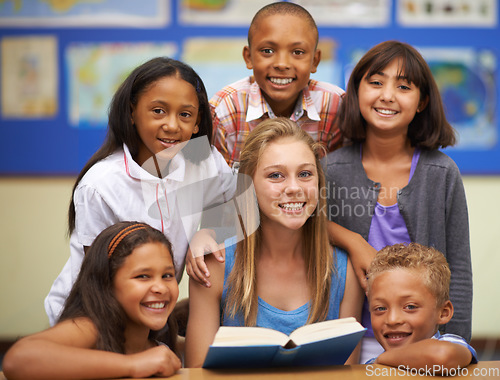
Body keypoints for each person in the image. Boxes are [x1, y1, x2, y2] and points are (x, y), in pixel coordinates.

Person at [188, 0, 377, 297]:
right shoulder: (223, 110)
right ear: (248, 57)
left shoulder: (336, 107)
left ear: (315, 61)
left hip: (317, 244)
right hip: (245, 247)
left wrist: (350, 240)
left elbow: (342, 188)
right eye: (267, 50)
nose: (282, 63)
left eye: (298, 52)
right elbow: (215, 198)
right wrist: (207, 232)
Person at [44, 57, 236, 326]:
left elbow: (239, 203)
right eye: (158, 111)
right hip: (91, 314)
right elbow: (98, 281)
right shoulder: (101, 184)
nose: (172, 125)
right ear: (132, 112)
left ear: (197, 123)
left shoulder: (203, 160)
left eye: (185, 114)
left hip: (151, 310)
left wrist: (209, 232)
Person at [323, 40, 472, 363]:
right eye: (375, 83)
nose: (387, 95)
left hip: (424, 338)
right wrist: (351, 240)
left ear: (422, 102)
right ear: (356, 92)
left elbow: (458, 266)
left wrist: (456, 338)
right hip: (347, 337)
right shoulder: (331, 169)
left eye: (403, 86)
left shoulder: (441, 172)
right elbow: (303, 229)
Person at [184, 117, 364, 368]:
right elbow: (196, 373)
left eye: (305, 174)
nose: (294, 188)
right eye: (276, 175)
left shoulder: (345, 272)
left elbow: (347, 373)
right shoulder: (214, 264)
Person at [3, 222, 181, 379]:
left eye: (167, 275)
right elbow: (18, 359)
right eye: (143, 276)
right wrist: (133, 364)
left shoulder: (156, 342)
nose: (161, 288)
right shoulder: (91, 328)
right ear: (107, 283)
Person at [365, 243, 477, 373]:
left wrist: (383, 358)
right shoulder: (373, 365)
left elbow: (442, 355)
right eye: (380, 309)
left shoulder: (449, 342)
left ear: (443, 312)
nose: (392, 320)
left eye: (410, 307)